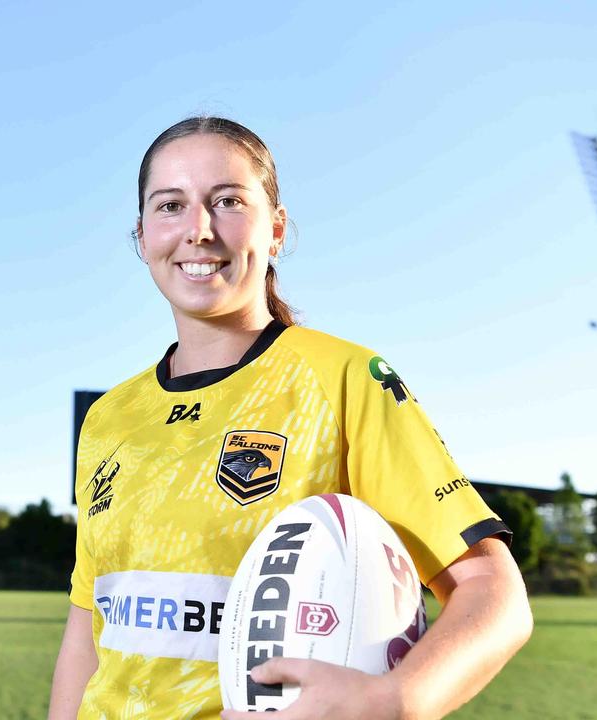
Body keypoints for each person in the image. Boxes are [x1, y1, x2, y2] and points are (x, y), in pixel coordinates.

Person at [48, 117, 533, 720]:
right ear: (143, 235)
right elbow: (86, 626)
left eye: (227, 201)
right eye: (170, 206)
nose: (198, 230)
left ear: (275, 229)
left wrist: (395, 699)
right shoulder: (109, 418)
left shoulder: (344, 378)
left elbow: (492, 593)